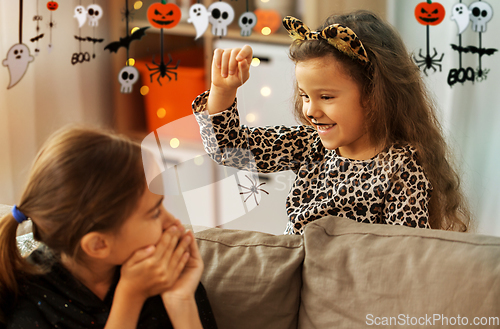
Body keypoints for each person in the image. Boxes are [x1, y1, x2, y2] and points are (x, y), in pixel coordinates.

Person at [192, 10, 470, 235]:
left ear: (375, 94)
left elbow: (404, 256)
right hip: (295, 275)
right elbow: (227, 149)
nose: (310, 110)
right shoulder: (309, 145)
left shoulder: (401, 167)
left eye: (326, 96)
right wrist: (222, 92)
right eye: (304, 96)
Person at [0, 127, 217, 328]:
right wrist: (130, 297)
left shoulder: (167, 271)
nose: (173, 223)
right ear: (98, 244)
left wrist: (182, 301)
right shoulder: (27, 300)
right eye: (155, 213)